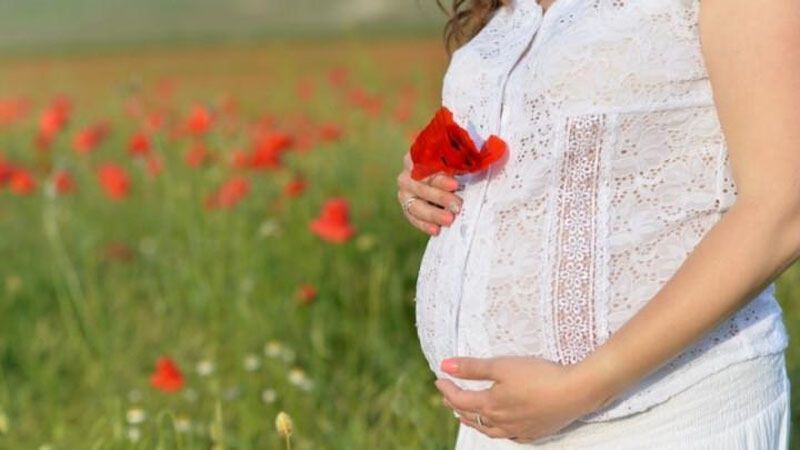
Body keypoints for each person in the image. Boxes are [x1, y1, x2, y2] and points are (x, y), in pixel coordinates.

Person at [395, 0, 800, 448]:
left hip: (664, 414)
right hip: (499, 424)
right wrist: (428, 183)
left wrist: (584, 386)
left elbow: (784, 208)